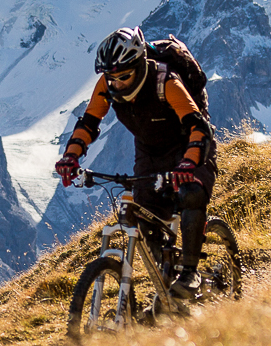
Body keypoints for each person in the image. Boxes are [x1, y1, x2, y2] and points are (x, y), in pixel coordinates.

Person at [53, 27, 216, 299]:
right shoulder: (107, 84)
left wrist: (189, 163)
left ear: (139, 66)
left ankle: (190, 273)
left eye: (123, 77)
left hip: (188, 145)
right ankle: (166, 290)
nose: (116, 84)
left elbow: (197, 126)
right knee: (143, 216)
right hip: (149, 150)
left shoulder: (166, 81)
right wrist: (71, 156)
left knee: (191, 193)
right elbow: (89, 122)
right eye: (111, 78)